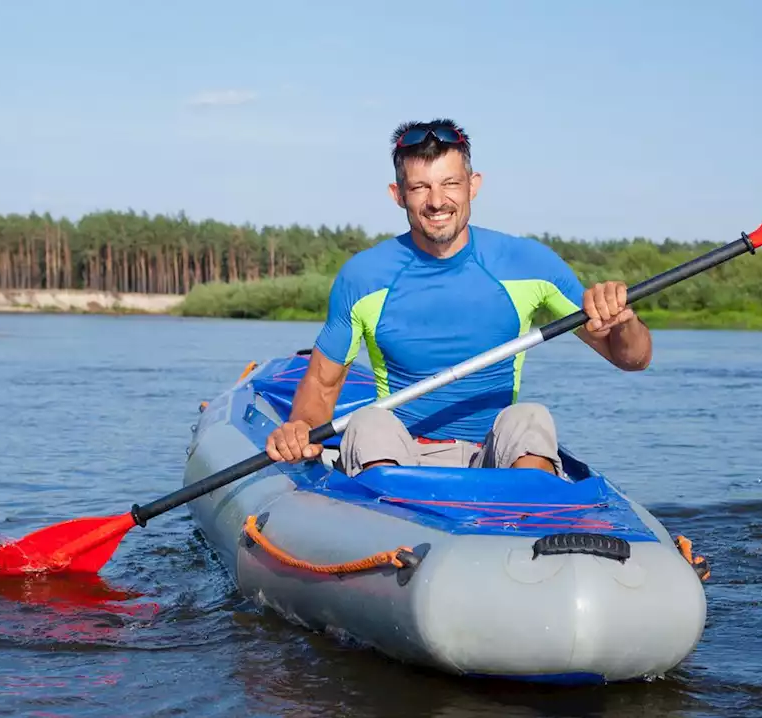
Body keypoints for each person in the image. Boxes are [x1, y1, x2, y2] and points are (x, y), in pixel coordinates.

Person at [264, 118, 653, 476]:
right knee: (369, 422)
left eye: (450, 183)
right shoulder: (364, 276)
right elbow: (321, 386)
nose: (437, 201)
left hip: (494, 456)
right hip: (401, 455)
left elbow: (631, 359)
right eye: (420, 187)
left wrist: (624, 322)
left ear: (473, 185)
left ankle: (531, 517)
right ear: (398, 194)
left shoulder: (528, 262)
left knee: (530, 417)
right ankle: (392, 523)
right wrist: (300, 428)